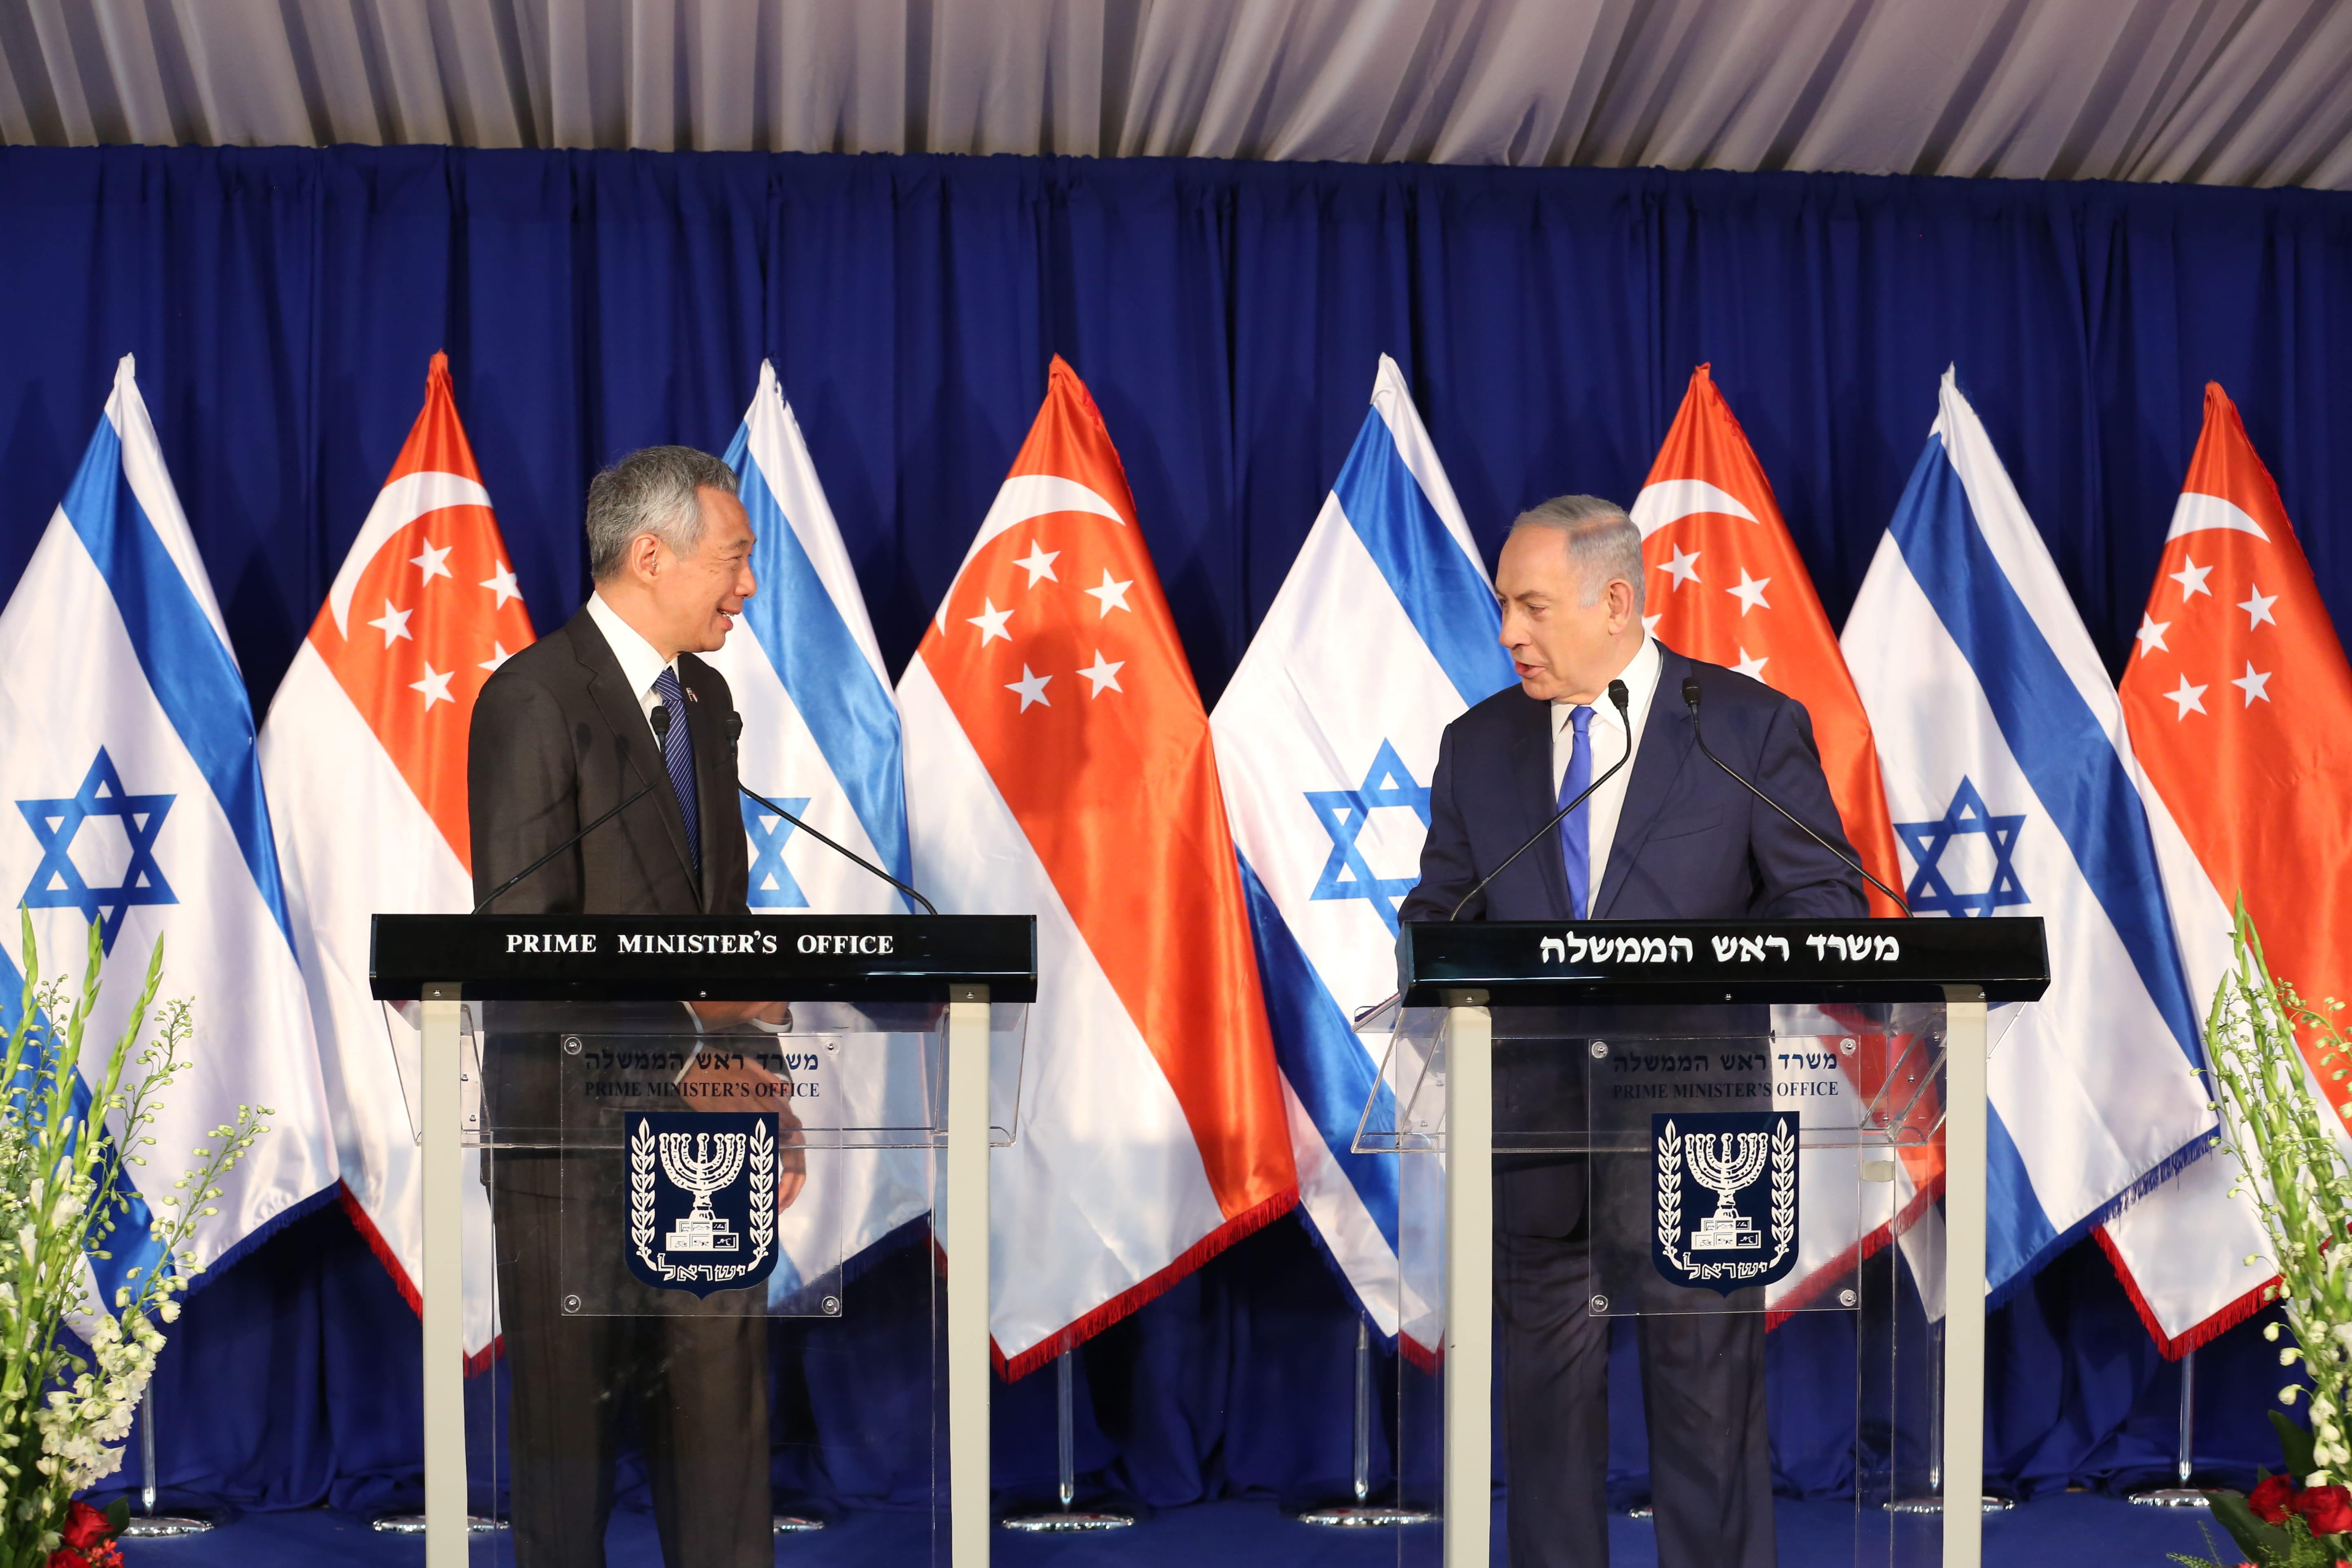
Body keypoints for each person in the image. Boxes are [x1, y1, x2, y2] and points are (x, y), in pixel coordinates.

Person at [1399, 494, 1865, 1568]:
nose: (1509, 633)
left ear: (1617, 602)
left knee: (1709, 1422)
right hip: (1541, 1131)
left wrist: (1706, 960)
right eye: (1502, 608)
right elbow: (1438, 921)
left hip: (1702, 1131)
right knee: (1549, 1431)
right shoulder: (1479, 746)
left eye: (1532, 606)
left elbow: (1827, 908)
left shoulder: (1745, 727)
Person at [469, 445, 796, 1568]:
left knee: (722, 1435)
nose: (748, 585)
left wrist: (764, 1092)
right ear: (651, 555)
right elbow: (526, 941)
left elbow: (727, 928)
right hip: (569, 1132)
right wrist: (689, 1047)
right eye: (737, 558)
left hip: (706, 1132)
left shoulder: (702, 700)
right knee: (570, 1449)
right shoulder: (532, 700)